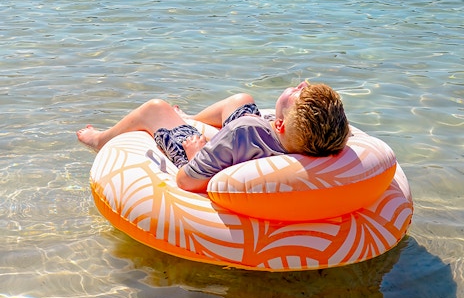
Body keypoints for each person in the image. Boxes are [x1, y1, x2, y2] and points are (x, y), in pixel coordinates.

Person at [77, 81, 349, 193]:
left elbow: (186, 180)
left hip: (209, 155)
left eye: (295, 93)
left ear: (279, 124)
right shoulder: (305, 142)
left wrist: (197, 152)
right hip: (260, 142)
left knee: (155, 108)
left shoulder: (242, 132)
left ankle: (99, 140)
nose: (301, 84)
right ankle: (190, 118)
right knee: (242, 100)